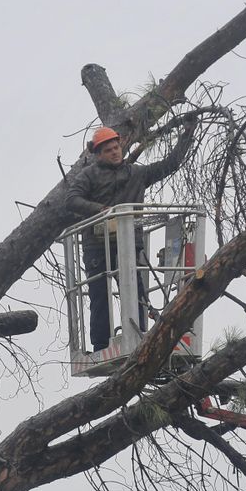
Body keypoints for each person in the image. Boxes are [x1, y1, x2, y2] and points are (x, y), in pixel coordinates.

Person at [65, 122, 195, 352]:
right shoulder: (89, 176)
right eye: (108, 150)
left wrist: (187, 133)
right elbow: (72, 200)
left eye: (116, 147)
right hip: (97, 245)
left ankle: (140, 337)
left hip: (128, 243)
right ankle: (101, 345)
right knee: (99, 296)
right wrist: (101, 210)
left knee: (135, 292)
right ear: (98, 154)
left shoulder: (137, 173)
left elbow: (171, 164)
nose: (114, 152)